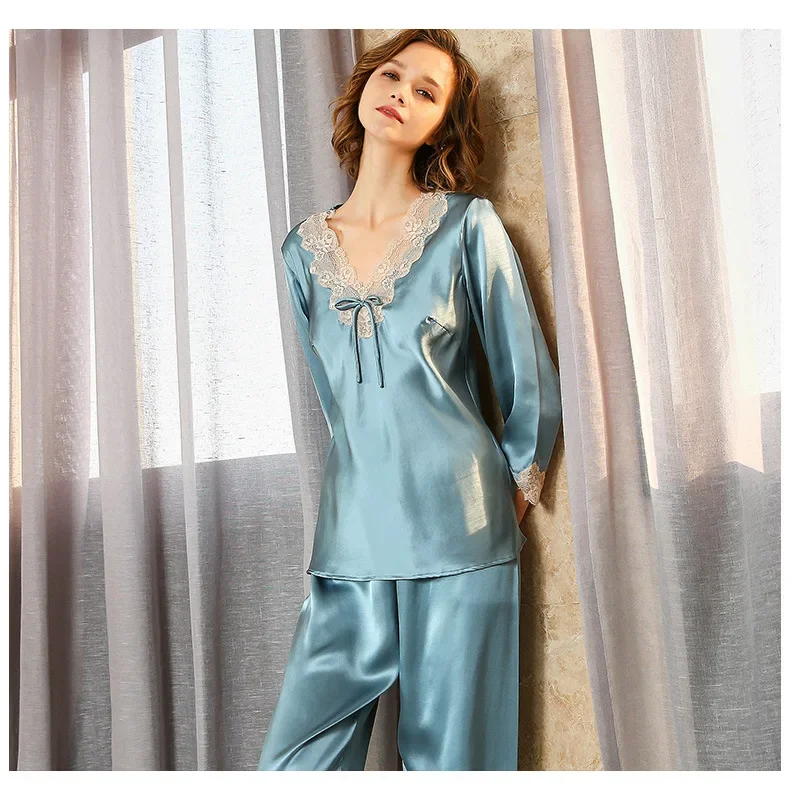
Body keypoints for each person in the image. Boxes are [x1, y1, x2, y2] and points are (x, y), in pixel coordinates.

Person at [258, 29, 562, 771]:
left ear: (439, 127)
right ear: (364, 85)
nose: (400, 93)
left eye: (426, 92)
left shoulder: (466, 227)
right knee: (294, 762)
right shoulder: (302, 251)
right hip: (352, 534)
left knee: (451, 763)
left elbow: (527, 380)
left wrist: (507, 502)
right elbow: (334, 400)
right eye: (392, 75)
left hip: (464, 525)